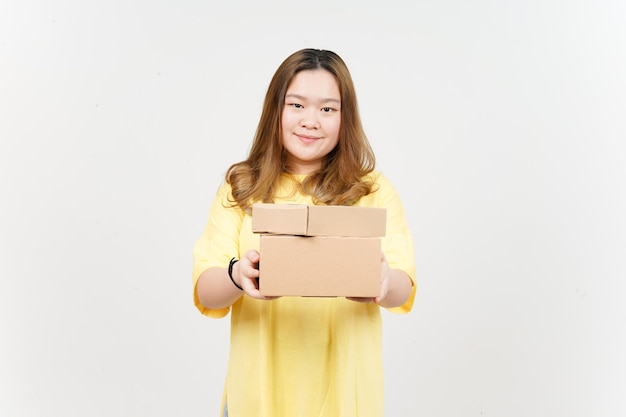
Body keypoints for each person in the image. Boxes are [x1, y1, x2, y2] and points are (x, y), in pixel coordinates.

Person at [192, 48, 417, 417]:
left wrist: (384, 280)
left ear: (346, 118)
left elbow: (403, 287)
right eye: (296, 105)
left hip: (346, 397)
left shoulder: (372, 189)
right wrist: (238, 275)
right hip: (257, 397)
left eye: (327, 109)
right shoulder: (241, 187)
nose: (310, 121)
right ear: (275, 110)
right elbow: (206, 289)